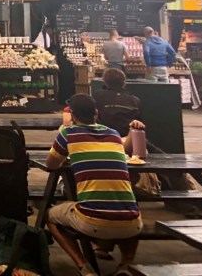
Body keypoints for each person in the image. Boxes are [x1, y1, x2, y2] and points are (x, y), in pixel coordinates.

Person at [46, 94, 142, 276]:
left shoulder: (68, 134)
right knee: (126, 215)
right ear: (96, 113)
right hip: (133, 223)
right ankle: (126, 265)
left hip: (92, 220)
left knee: (50, 216)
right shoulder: (113, 134)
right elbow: (128, 149)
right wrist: (133, 131)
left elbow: (51, 165)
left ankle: (84, 268)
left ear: (72, 116)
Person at [94, 68, 142, 137]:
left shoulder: (97, 95)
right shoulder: (135, 100)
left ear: (105, 82)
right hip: (127, 137)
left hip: (103, 136)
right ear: (124, 82)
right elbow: (138, 123)